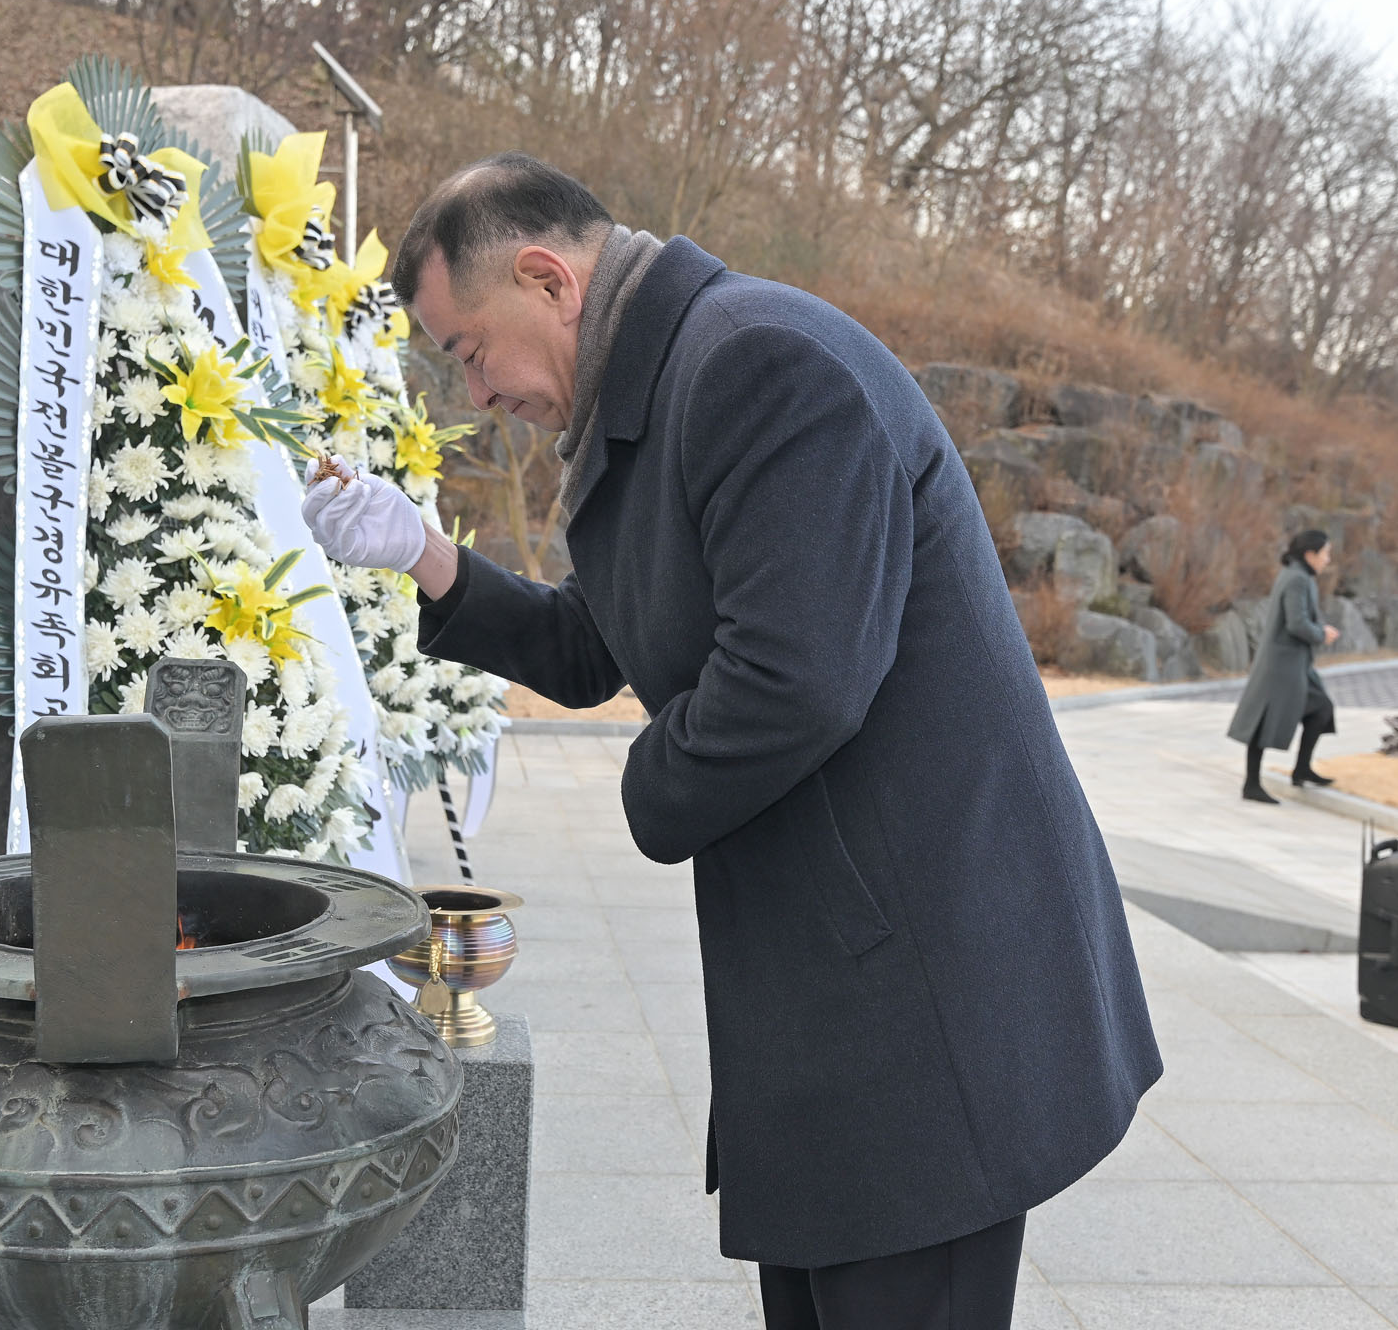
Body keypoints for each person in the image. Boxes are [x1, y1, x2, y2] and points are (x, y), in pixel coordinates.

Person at [301, 153, 1161, 1330]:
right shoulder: (663, 390)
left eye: (470, 350)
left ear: (548, 278)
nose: (476, 393)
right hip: (841, 981)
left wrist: (646, 787)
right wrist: (425, 554)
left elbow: (796, 681)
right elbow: (600, 640)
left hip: (922, 994)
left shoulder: (759, 365)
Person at [1229, 530, 1340, 804]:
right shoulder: (1297, 579)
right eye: (1325, 553)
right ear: (1310, 554)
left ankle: (1301, 769)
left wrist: (1319, 631)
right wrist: (1321, 634)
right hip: (1281, 666)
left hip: (1294, 664)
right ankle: (1251, 784)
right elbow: (1296, 623)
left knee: (1321, 709)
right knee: (1263, 720)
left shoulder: (1299, 576)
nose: (1328, 559)